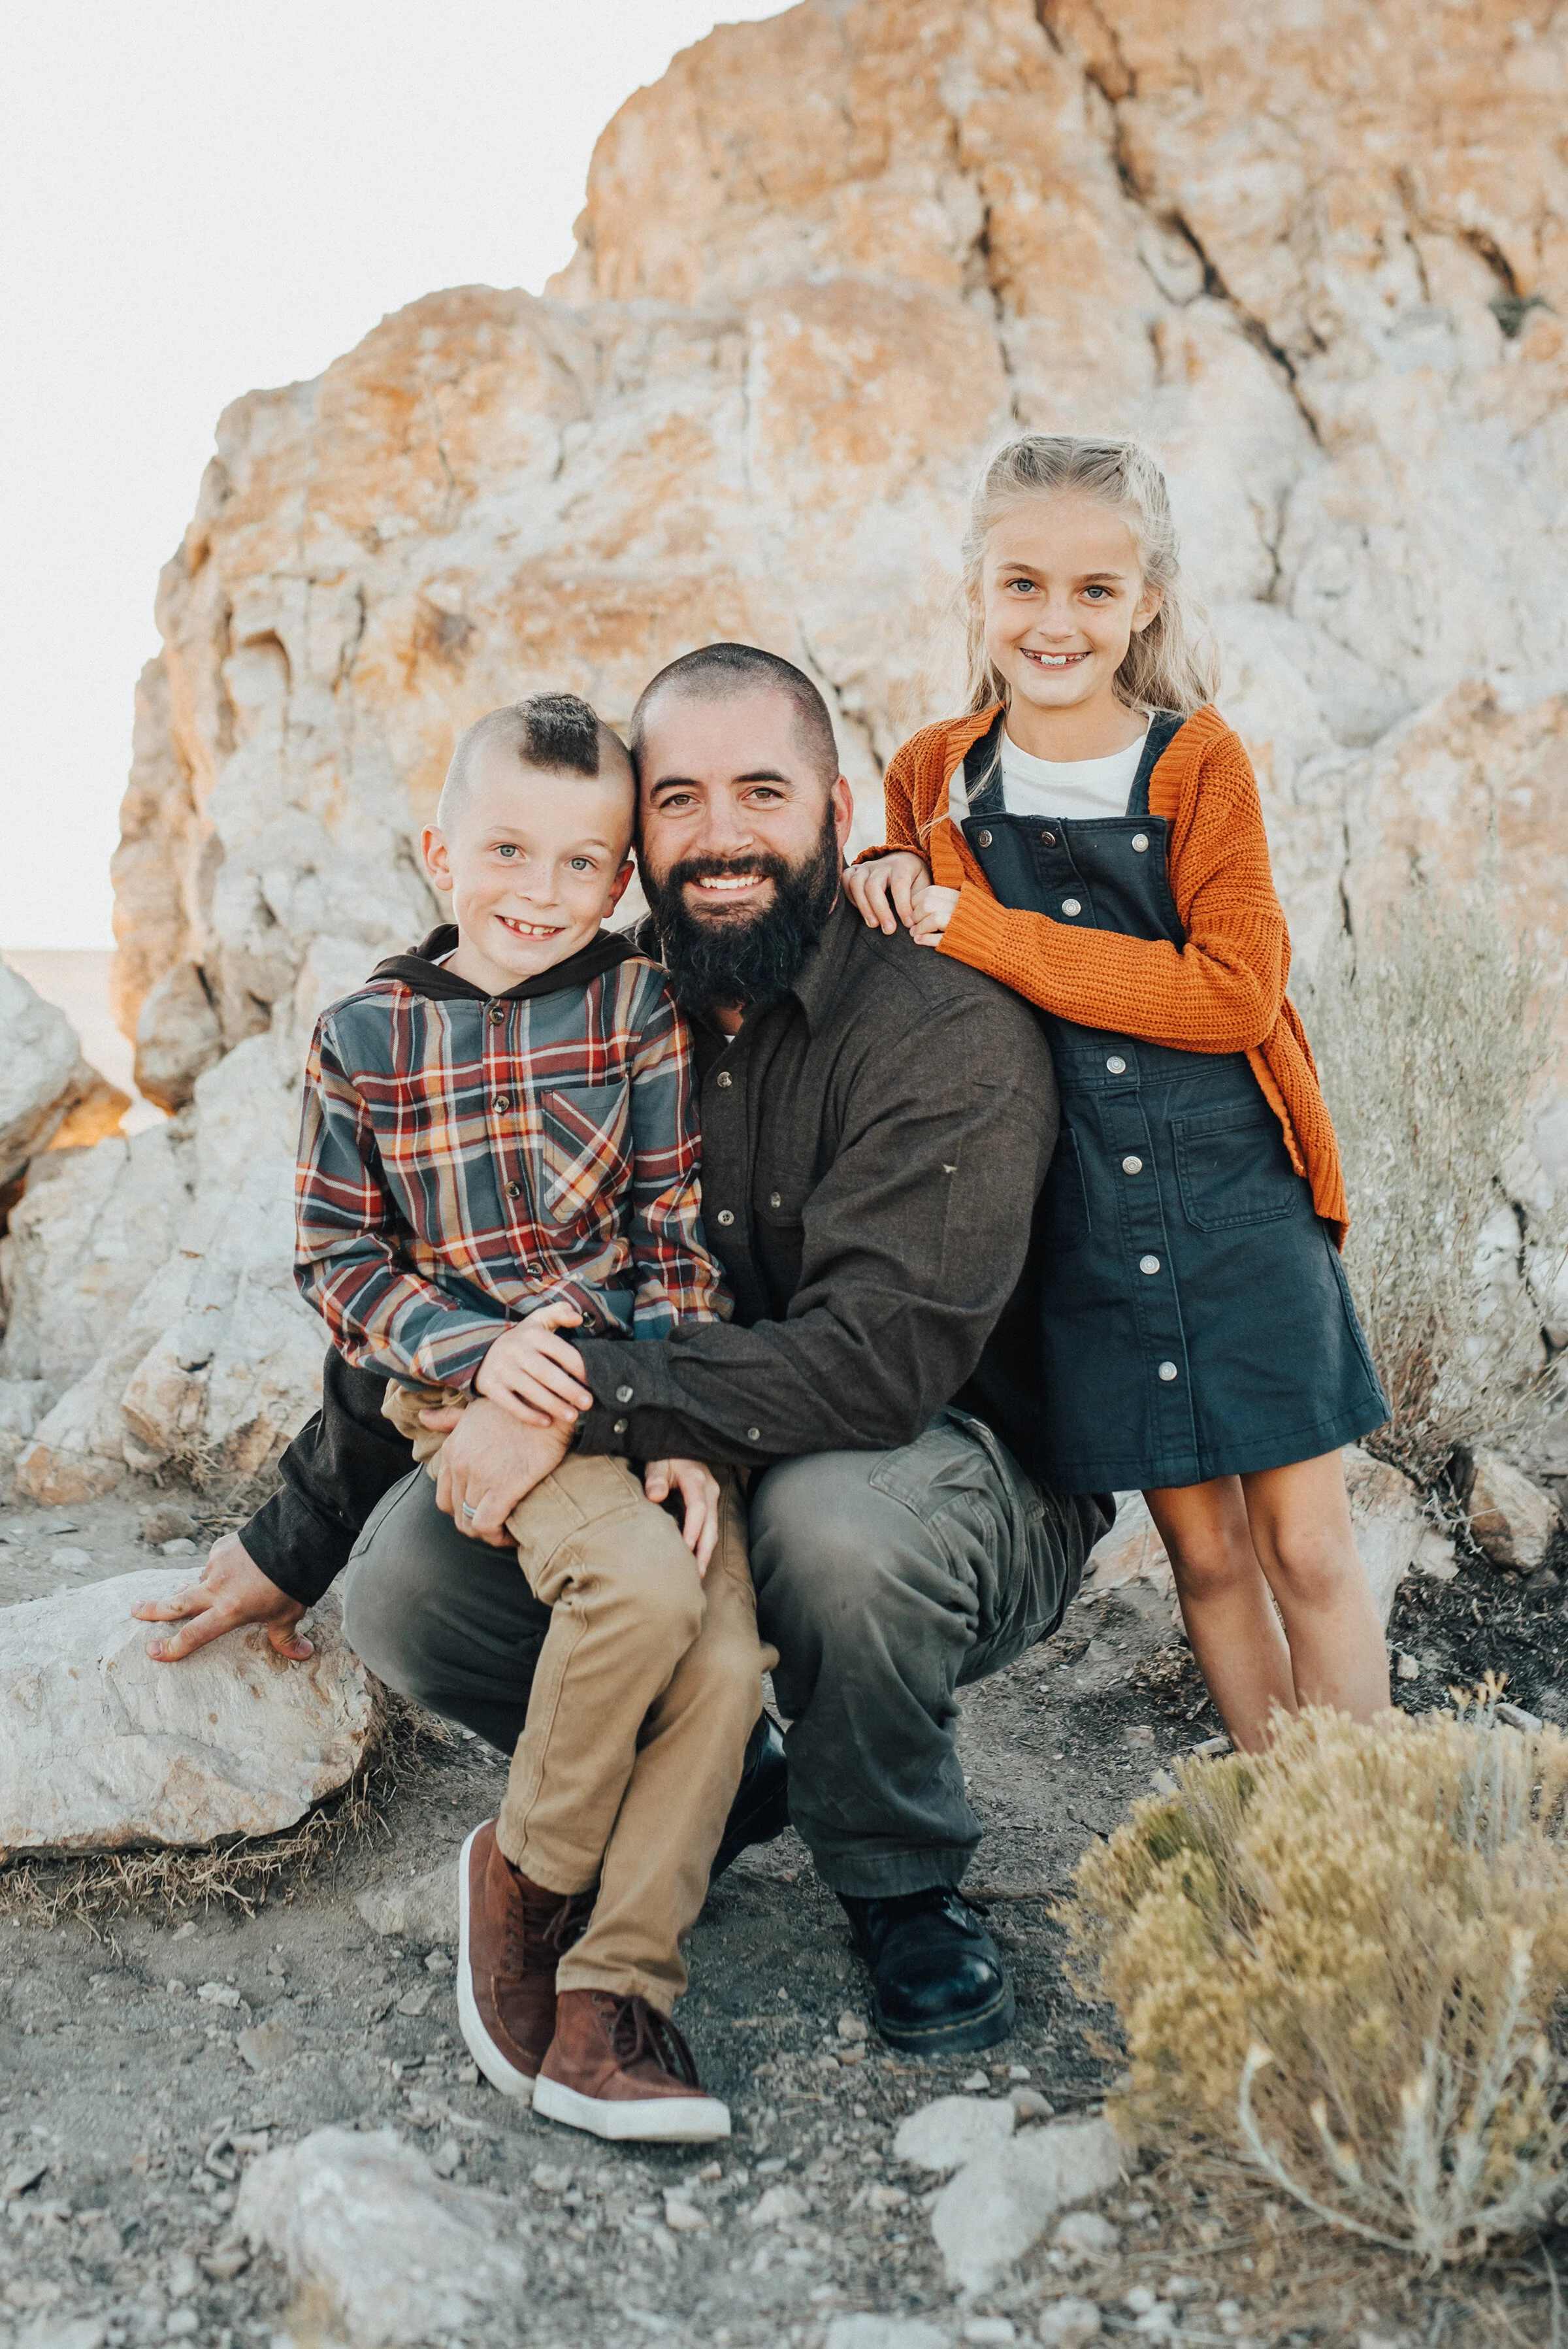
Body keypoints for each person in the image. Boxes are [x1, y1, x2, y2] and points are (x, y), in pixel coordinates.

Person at [140, 644, 1111, 2058]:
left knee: (830, 1526)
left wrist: (572, 1391)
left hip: (946, 1472)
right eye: (681, 802)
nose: (721, 839)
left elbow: (875, 1365)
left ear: (837, 814)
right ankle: (716, 1770)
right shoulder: (594, 995)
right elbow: (435, 1257)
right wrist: (302, 1535)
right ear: (633, 842)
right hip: (670, 1437)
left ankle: (899, 1882)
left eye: (762, 794)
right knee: (410, 1580)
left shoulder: (942, 1030)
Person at [845, 435, 1390, 1754]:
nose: (1056, 621)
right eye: (1023, 584)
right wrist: (872, 869)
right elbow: (909, 937)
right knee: (1203, 1560)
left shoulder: (1200, 762)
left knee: (1307, 1547)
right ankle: (1286, 1835)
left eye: (1096, 590)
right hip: (1083, 1221)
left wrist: (979, 928)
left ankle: (1382, 1831)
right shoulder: (934, 777)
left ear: (1147, 601)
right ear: (977, 591)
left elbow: (1231, 994)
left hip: (1236, 1200)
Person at [292, 687, 760, 2143]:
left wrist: (684, 1421)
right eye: (506, 852)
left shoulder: (632, 1003)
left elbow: (671, 1226)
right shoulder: (363, 1035)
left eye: (577, 865)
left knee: (730, 1661)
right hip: (472, 1394)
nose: (538, 894)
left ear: (619, 878)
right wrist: (479, 1351)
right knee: (628, 1589)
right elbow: (338, 1260)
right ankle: (529, 1881)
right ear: (442, 850)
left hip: (635, 1378)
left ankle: (613, 2000)